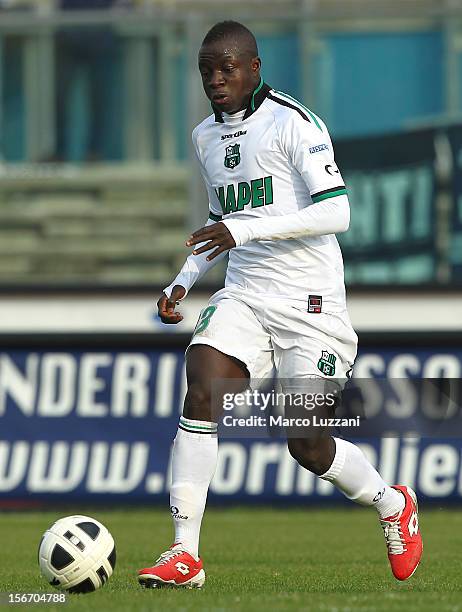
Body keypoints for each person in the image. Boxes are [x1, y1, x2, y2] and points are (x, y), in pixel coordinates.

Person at [138, 21, 423, 589]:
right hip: (245, 293)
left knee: (306, 442)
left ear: (254, 68)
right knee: (201, 385)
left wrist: (244, 235)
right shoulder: (205, 137)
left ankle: (392, 502)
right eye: (206, 71)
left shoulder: (293, 123)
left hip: (309, 304)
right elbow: (226, 224)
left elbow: (336, 212)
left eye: (227, 68)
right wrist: (183, 280)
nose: (216, 80)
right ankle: (184, 554)